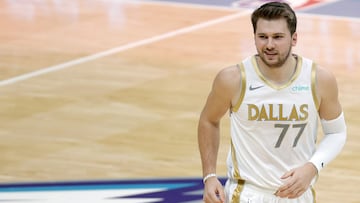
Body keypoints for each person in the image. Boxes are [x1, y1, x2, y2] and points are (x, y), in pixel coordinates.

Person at [197, 2, 347, 203]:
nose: (269, 45)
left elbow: (336, 132)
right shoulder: (233, 79)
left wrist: (312, 167)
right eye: (262, 37)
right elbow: (209, 120)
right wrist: (209, 175)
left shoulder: (319, 80)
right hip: (246, 194)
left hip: (298, 195)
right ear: (254, 38)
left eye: (277, 37)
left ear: (294, 38)